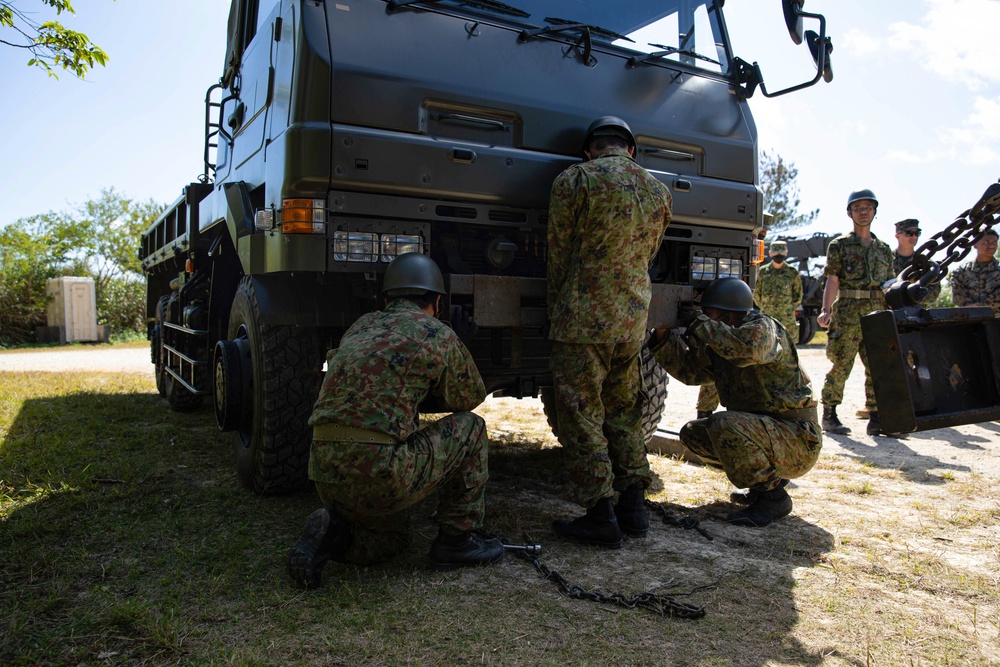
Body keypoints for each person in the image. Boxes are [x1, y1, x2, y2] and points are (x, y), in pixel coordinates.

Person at [287, 252, 502, 588]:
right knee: (472, 428)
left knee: (393, 542)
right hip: (379, 472)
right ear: (437, 301)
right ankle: (456, 541)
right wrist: (459, 342)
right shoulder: (436, 333)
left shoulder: (360, 326)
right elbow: (468, 398)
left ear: (385, 299)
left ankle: (335, 533)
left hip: (324, 471)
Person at [546, 115, 673, 548]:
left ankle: (599, 513)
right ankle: (633, 507)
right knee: (624, 411)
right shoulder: (659, 192)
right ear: (631, 150)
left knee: (581, 413)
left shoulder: (575, 180)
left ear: (590, 149)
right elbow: (649, 254)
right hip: (632, 320)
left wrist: (557, 307)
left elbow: (559, 252)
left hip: (582, 318)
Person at [650, 277, 822, 527]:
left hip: (796, 439)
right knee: (694, 433)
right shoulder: (725, 337)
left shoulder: (763, 328)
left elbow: (746, 351)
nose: (703, 319)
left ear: (729, 317)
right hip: (769, 433)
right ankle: (764, 481)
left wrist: (698, 323)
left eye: (709, 315)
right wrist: (663, 332)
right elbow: (691, 373)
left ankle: (773, 497)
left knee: (723, 424)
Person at [816, 189, 894, 437]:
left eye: (868, 207)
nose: (863, 211)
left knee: (877, 365)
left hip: (877, 312)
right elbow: (833, 280)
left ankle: (877, 417)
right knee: (841, 363)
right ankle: (830, 414)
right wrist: (826, 310)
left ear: (874, 212)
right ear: (849, 212)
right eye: (858, 207)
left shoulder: (884, 249)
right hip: (848, 311)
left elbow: (890, 284)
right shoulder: (839, 245)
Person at [754, 240, 804, 340]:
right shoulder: (763, 272)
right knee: (767, 346)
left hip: (787, 319)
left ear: (786, 252)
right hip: (767, 317)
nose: (779, 254)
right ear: (770, 253)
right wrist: (766, 306)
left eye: (781, 252)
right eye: (776, 252)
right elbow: (756, 294)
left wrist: (788, 308)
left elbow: (798, 295)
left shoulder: (792, 272)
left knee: (787, 350)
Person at [950, 228, 1000, 316]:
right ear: (975, 244)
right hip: (970, 321)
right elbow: (957, 296)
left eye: (994, 243)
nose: (991, 246)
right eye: (986, 242)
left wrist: (980, 306)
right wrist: (970, 307)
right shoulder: (961, 272)